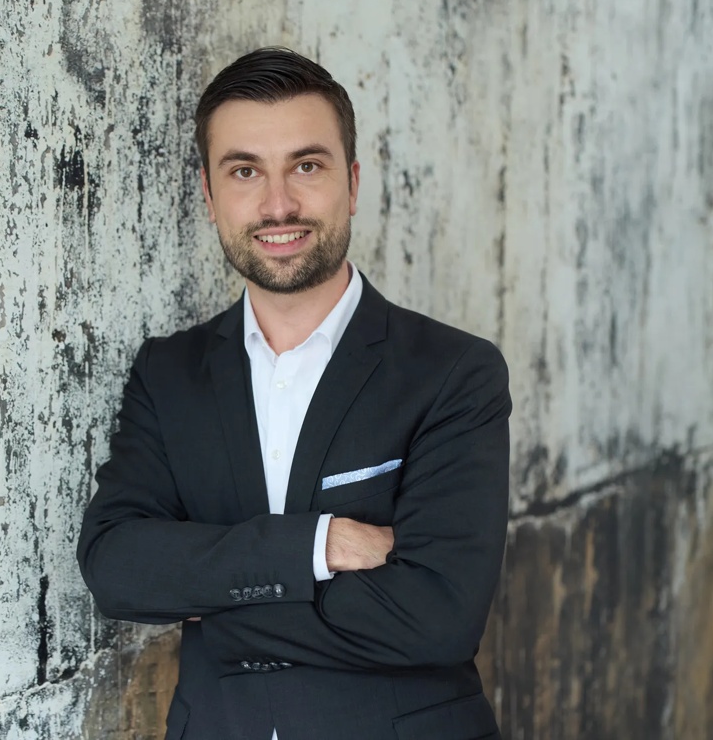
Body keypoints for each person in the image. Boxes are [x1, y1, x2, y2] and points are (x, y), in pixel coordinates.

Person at [77, 47, 511, 740]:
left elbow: (439, 618)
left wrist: (211, 604)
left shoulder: (453, 372)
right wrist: (318, 545)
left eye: (307, 166)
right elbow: (117, 568)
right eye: (245, 171)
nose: (278, 204)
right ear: (210, 196)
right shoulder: (169, 373)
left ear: (353, 183)